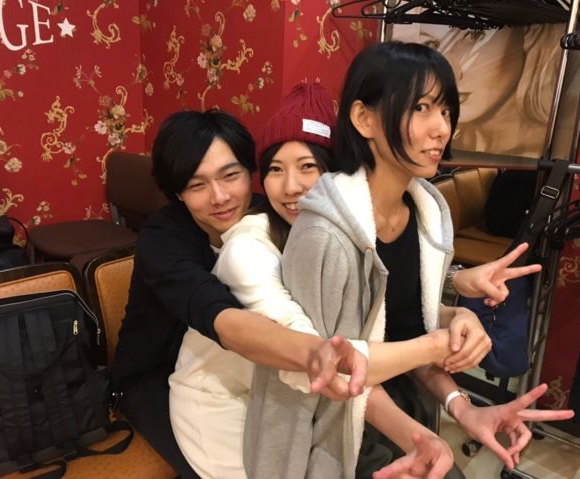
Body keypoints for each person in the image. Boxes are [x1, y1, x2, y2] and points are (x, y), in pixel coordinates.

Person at [244, 42, 574, 479]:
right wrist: (434, 354)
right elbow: (336, 373)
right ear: (364, 119)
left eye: (446, 110)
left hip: (396, 407)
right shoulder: (324, 233)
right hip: (325, 432)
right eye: (421, 108)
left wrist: (463, 406)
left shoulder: (425, 214)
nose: (442, 128)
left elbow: (405, 329)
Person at [170, 83, 488, 479]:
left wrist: (455, 317)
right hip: (227, 404)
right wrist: (434, 350)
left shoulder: (338, 236)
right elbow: (326, 360)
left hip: (308, 401)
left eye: (308, 166)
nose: (291, 186)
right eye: (275, 169)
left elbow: (381, 318)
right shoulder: (247, 250)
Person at [109, 109, 369, 479]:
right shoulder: (162, 241)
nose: (220, 197)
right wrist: (314, 351)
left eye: (230, 176)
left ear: (251, 172)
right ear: (178, 193)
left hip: (246, 372)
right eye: (197, 185)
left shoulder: (270, 213)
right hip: (155, 380)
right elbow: (217, 314)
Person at [394, 23, 564, 157]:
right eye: (431, 45)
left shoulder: (553, 153)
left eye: (475, 35)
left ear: (530, 36)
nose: (450, 73)